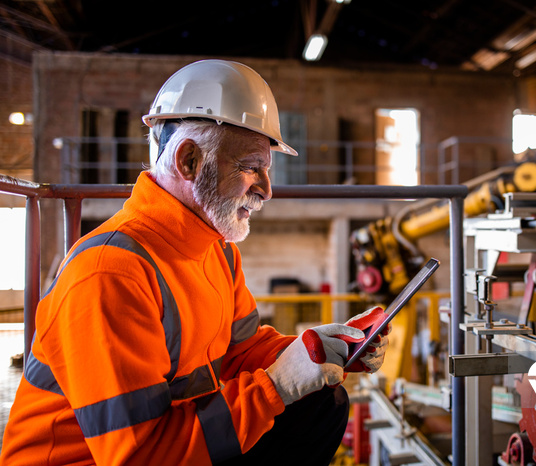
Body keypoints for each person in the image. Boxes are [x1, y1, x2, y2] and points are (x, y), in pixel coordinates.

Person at [1, 60, 390, 465]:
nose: (267, 190)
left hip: (171, 443)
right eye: (251, 167)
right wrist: (276, 385)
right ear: (189, 161)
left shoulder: (216, 250)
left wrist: (313, 350)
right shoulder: (109, 273)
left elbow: (240, 353)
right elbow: (139, 457)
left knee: (320, 404)